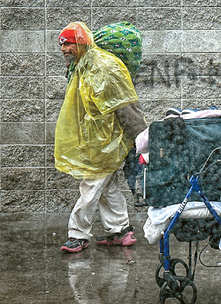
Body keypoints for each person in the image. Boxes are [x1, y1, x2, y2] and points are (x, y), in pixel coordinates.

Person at [55, 22, 147, 253]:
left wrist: (143, 137)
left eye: (69, 44)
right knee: (108, 187)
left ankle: (78, 234)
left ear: (83, 42)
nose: (65, 49)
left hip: (108, 143)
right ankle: (120, 231)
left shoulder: (103, 66)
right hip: (97, 142)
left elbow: (125, 105)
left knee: (91, 187)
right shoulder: (81, 66)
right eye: (63, 45)